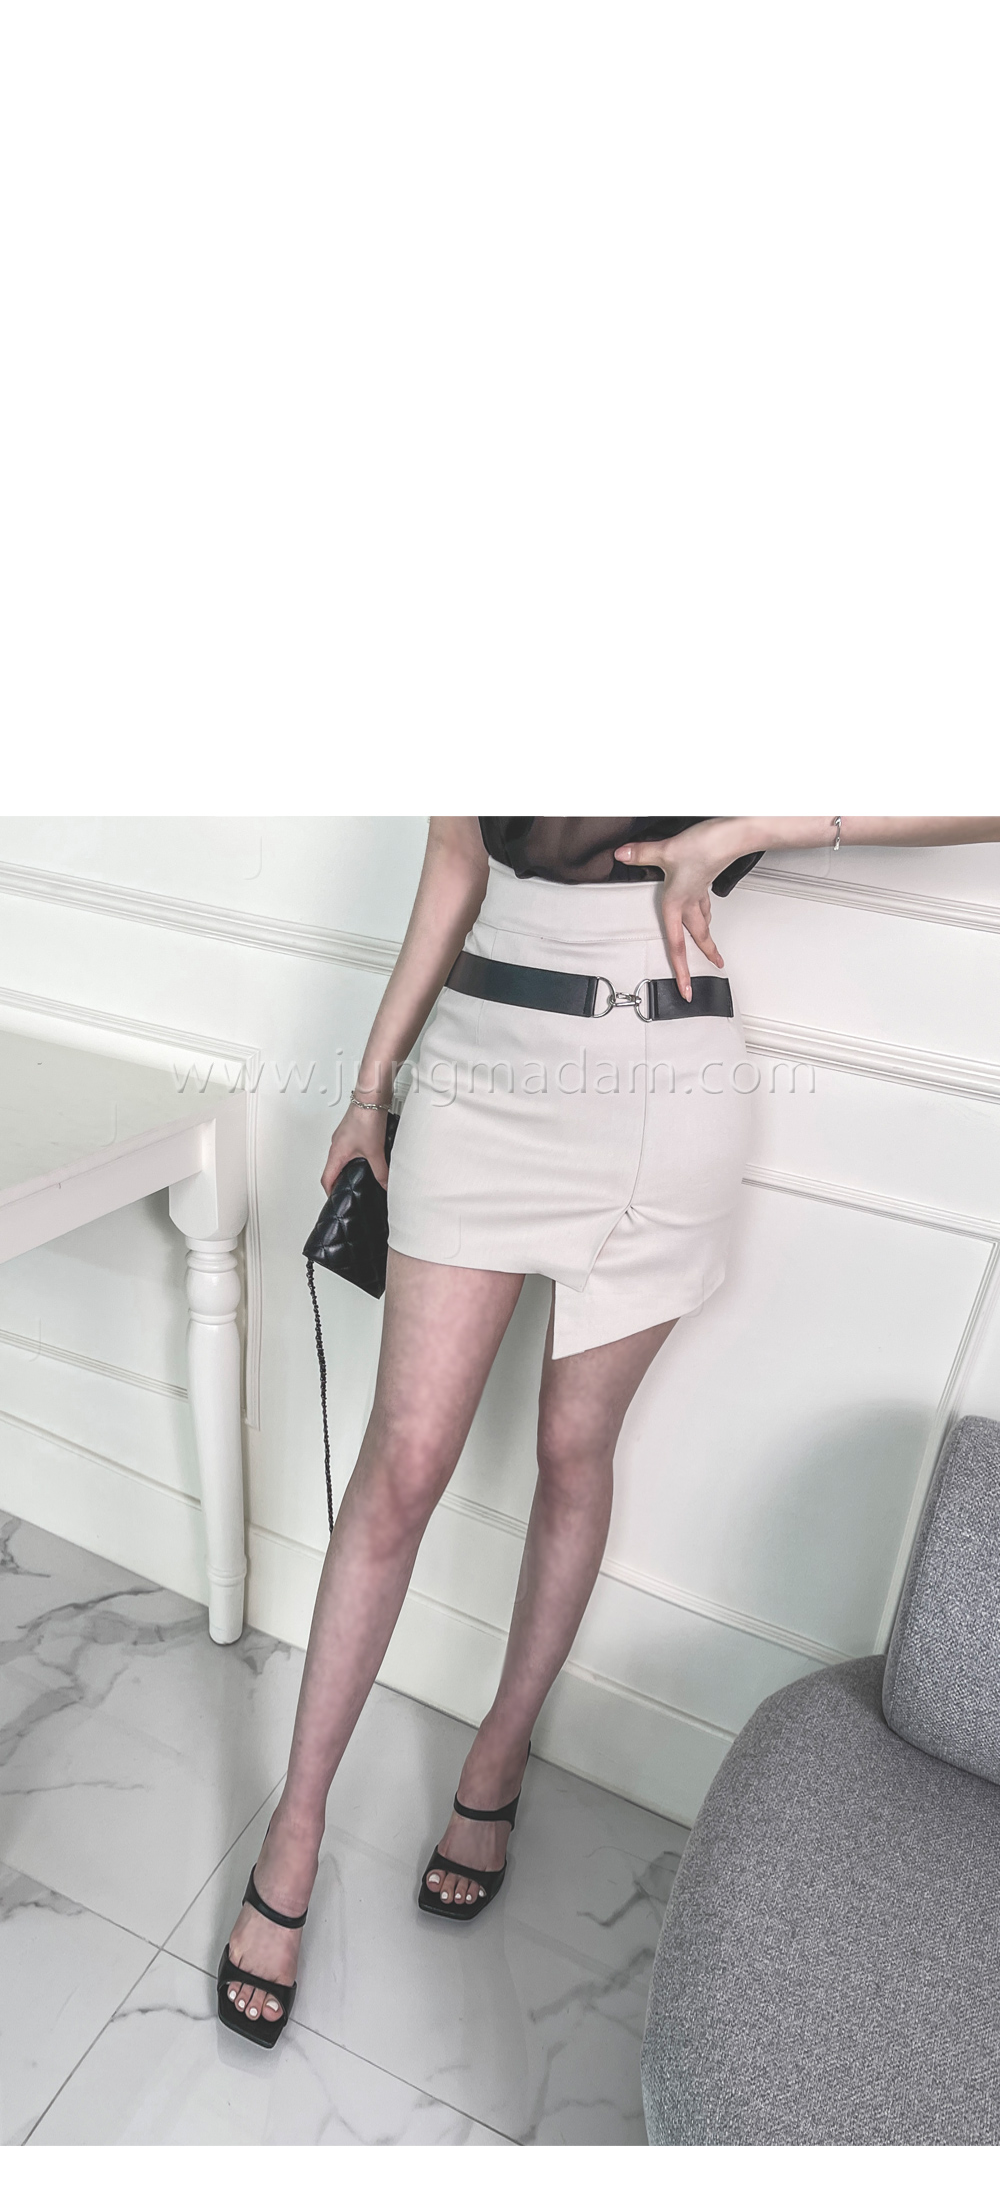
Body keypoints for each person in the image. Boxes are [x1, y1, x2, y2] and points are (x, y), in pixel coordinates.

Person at [217, 808, 1000, 2037]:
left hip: (662, 1085)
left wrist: (756, 829)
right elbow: (455, 860)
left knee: (572, 1453)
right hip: (478, 1073)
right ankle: (297, 1823)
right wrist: (370, 1092)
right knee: (400, 1466)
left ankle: (499, 1757)